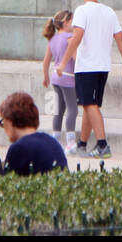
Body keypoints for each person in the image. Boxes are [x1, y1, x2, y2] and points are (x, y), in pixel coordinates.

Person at [55, 0, 122, 159]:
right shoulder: (109, 11)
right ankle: (82, 143)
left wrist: (64, 62)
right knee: (90, 105)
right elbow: (120, 38)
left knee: (90, 105)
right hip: (103, 66)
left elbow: (77, 37)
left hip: (87, 66)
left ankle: (102, 144)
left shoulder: (82, 11)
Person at [0, 92, 68, 175]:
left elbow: (9, 182)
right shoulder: (52, 141)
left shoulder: (18, 148)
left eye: (2, 122)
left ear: (9, 120)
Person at [42, 9, 77, 154]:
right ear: (66, 22)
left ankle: (55, 140)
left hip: (56, 77)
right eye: (72, 21)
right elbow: (76, 58)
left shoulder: (53, 39)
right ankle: (70, 142)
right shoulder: (70, 38)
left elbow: (45, 62)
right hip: (68, 76)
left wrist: (46, 77)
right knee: (72, 109)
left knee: (58, 110)